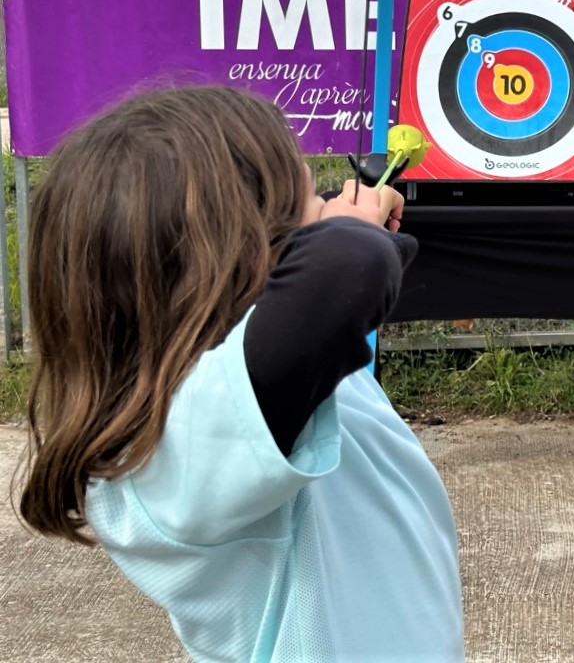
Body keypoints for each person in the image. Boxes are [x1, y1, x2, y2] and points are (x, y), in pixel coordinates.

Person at [16, 85, 464, 661]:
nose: (325, 215)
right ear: (245, 253)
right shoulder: (177, 443)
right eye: (304, 208)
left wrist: (349, 231)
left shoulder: (267, 376)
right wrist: (354, 235)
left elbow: (337, 282)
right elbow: (347, 271)